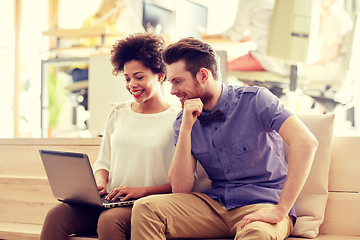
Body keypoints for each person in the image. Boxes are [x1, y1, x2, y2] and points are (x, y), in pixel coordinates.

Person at [131, 37, 319, 240]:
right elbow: (180, 188)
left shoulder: (256, 100)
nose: (173, 91)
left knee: (258, 235)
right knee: (146, 208)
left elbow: (306, 143)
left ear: (203, 75)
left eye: (177, 81)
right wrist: (186, 129)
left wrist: (281, 210)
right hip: (214, 206)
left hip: (263, 206)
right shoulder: (183, 120)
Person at [39, 33, 180, 240]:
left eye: (139, 77)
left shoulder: (177, 118)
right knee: (57, 215)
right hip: (111, 199)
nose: (132, 84)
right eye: (127, 78)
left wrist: (142, 191)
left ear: (160, 75)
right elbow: (103, 161)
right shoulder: (118, 112)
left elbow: (183, 182)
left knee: (109, 220)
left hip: (147, 204)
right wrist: (100, 183)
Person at [202, 0, 289, 76]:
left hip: (266, 61)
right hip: (289, 64)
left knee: (216, 69)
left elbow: (236, 33)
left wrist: (206, 37)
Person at [298, 0, 353, 84]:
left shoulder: (334, 16)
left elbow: (331, 54)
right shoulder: (338, 15)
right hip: (335, 70)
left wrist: (310, 64)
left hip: (331, 71)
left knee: (293, 72)